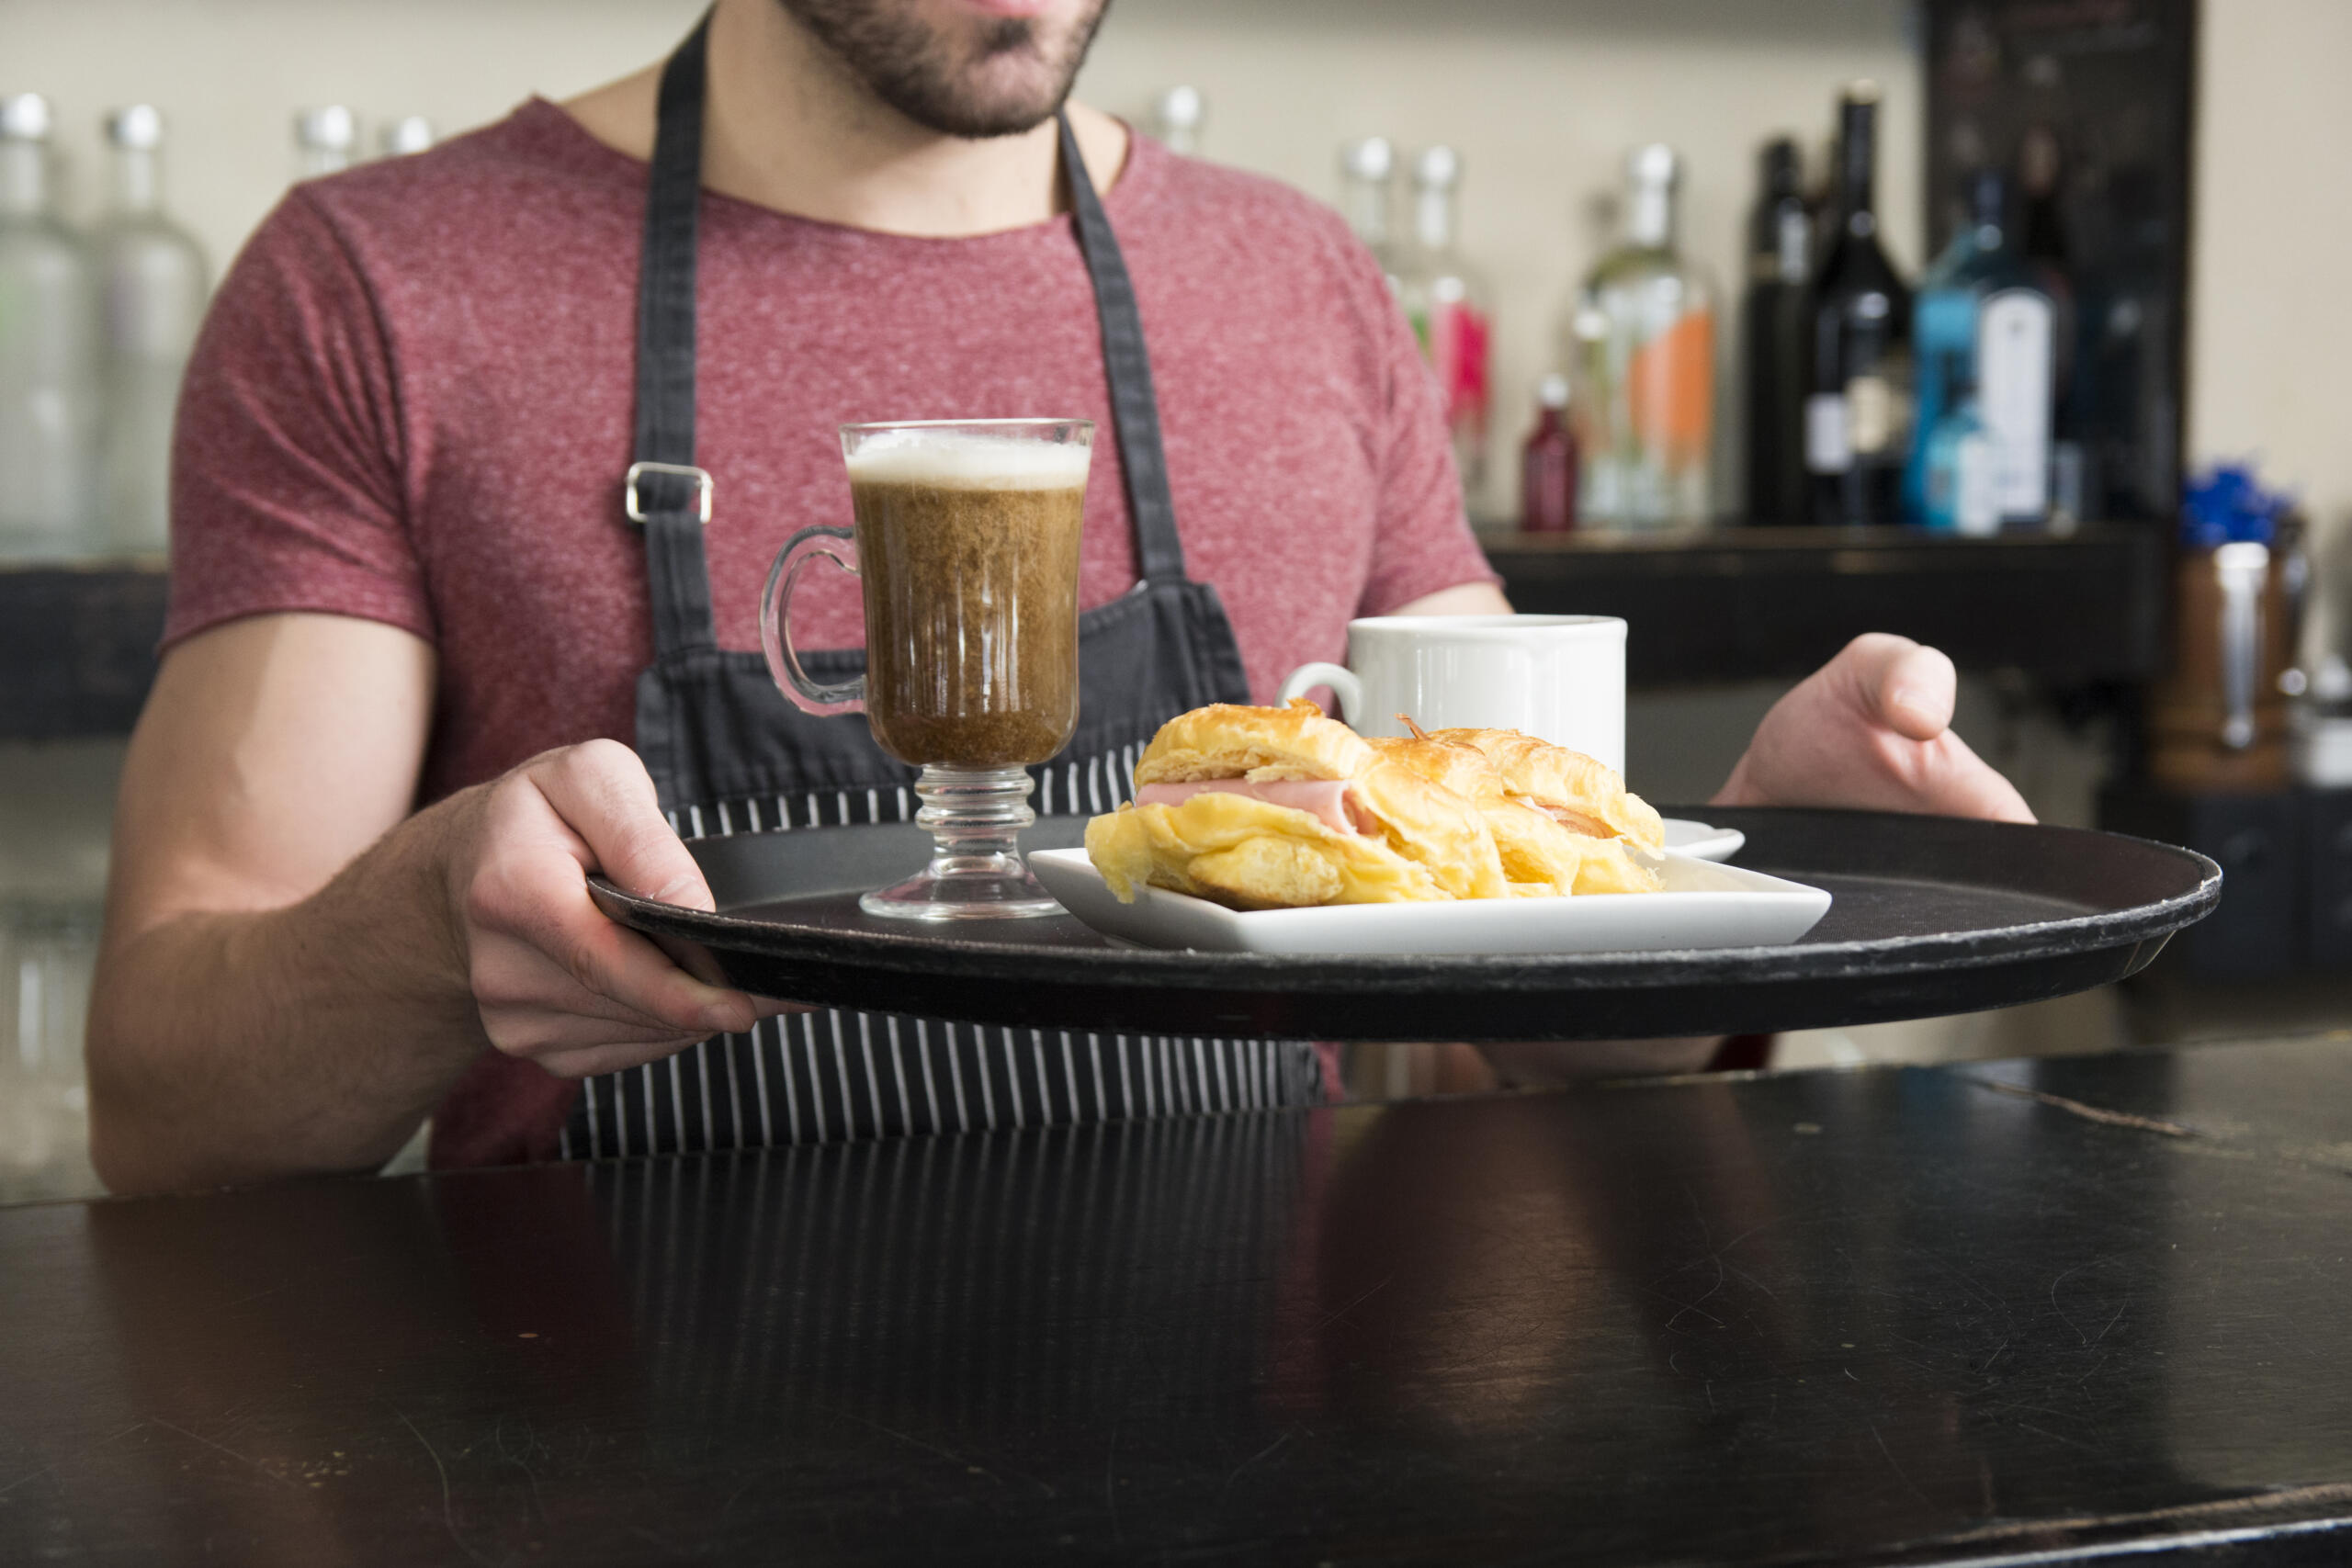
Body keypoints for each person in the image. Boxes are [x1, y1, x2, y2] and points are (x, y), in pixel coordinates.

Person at [85, 0, 2032, 1196]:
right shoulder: (380, 287)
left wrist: (1729, 894)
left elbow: (1509, 1020)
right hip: (633, 1453)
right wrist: (422, 931)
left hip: (1261, 1472)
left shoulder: (1303, 290)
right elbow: (168, 1114)